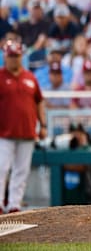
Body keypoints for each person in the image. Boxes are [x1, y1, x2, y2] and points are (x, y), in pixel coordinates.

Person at [0, 40, 46, 213]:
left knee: (21, 170)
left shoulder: (30, 77)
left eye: (16, 56)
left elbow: (39, 101)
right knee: (1, 168)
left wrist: (44, 125)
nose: (14, 59)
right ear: (5, 56)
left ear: (21, 56)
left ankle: (14, 204)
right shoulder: (0, 76)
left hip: (27, 132)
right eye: (11, 56)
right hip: (4, 132)